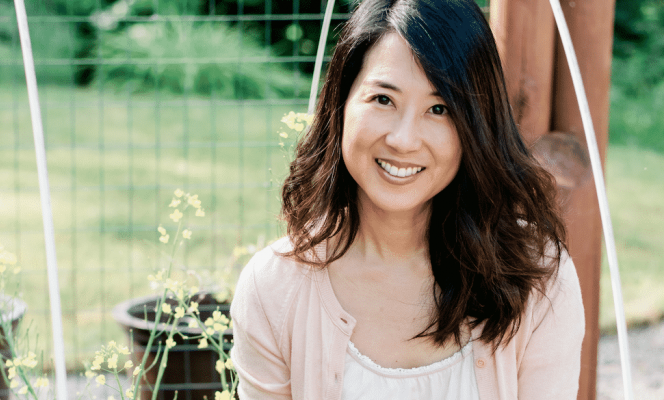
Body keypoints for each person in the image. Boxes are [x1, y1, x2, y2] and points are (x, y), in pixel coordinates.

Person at [230, 0, 585, 399]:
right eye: (383, 99)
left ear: (477, 124)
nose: (403, 139)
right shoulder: (274, 290)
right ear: (341, 104)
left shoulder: (537, 275)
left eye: (439, 108)